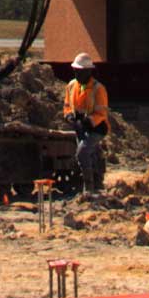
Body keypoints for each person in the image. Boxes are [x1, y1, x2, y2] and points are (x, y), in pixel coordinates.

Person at [63, 51, 109, 194]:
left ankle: (88, 188)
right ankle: (97, 184)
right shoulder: (71, 86)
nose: (78, 74)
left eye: (81, 71)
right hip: (80, 127)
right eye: (76, 71)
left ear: (89, 71)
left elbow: (101, 113)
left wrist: (86, 122)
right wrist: (69, 116)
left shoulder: (98, 89)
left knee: (82, 153)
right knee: (91, 155)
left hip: (97, 128)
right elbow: (67, 105)